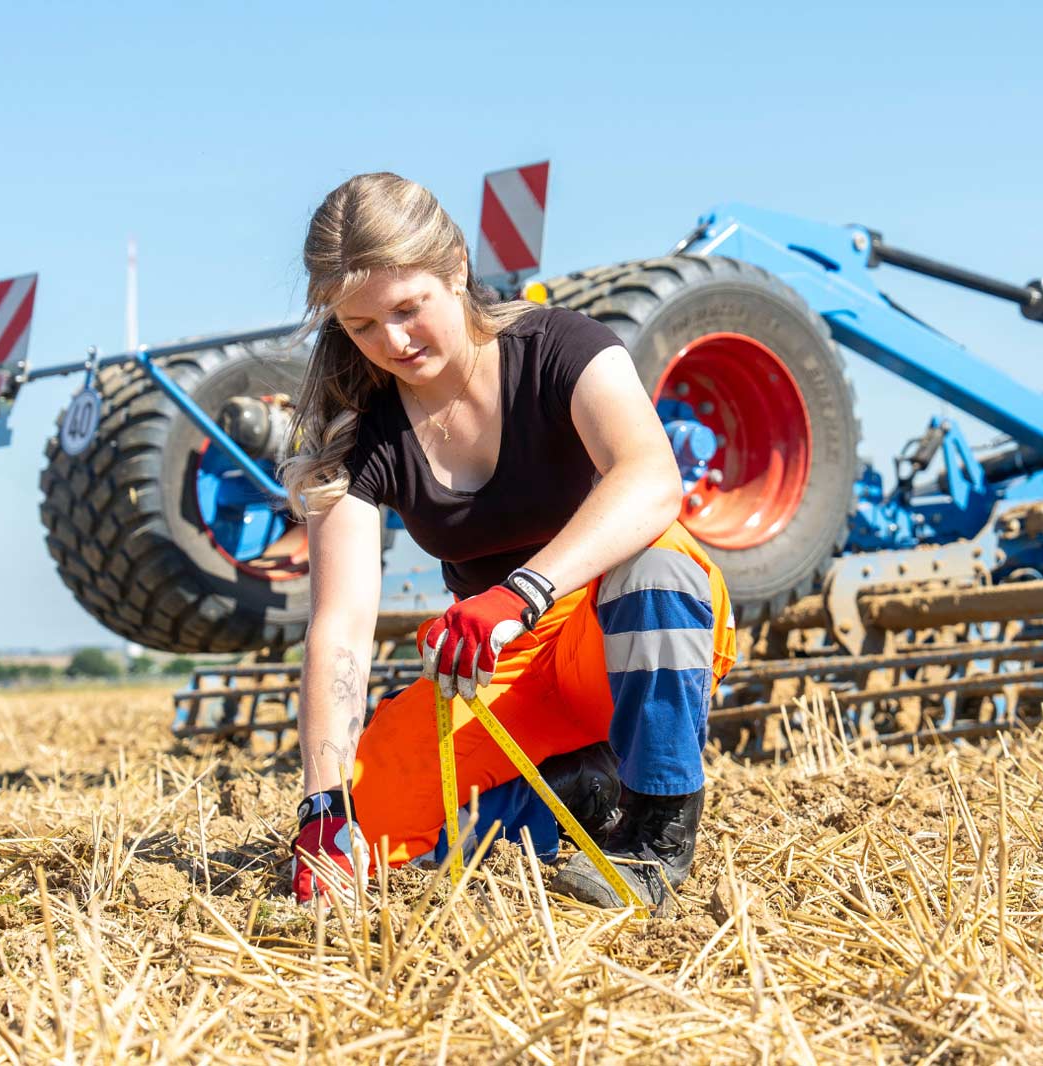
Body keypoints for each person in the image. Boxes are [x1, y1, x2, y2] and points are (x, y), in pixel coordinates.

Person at [279, 172, 736, 910]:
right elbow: (340, 629)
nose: (391, 342)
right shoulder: (360, 436)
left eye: (407, 309)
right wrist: (324, 807)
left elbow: (652, 480)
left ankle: (655, 835)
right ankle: (582, 791)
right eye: (362, 326)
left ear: (456, 268)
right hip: (504, 669)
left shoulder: (564, 347)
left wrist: (521, 592)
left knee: (655, 567)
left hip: (610, 641)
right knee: (378, 826)